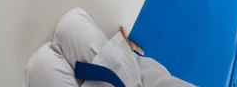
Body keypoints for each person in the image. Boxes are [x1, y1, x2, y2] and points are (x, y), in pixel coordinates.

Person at [23, 7, 196, 86]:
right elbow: (153, 79)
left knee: (38, 64)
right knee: (71, 23)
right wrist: (125, 54)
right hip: (120, 77)